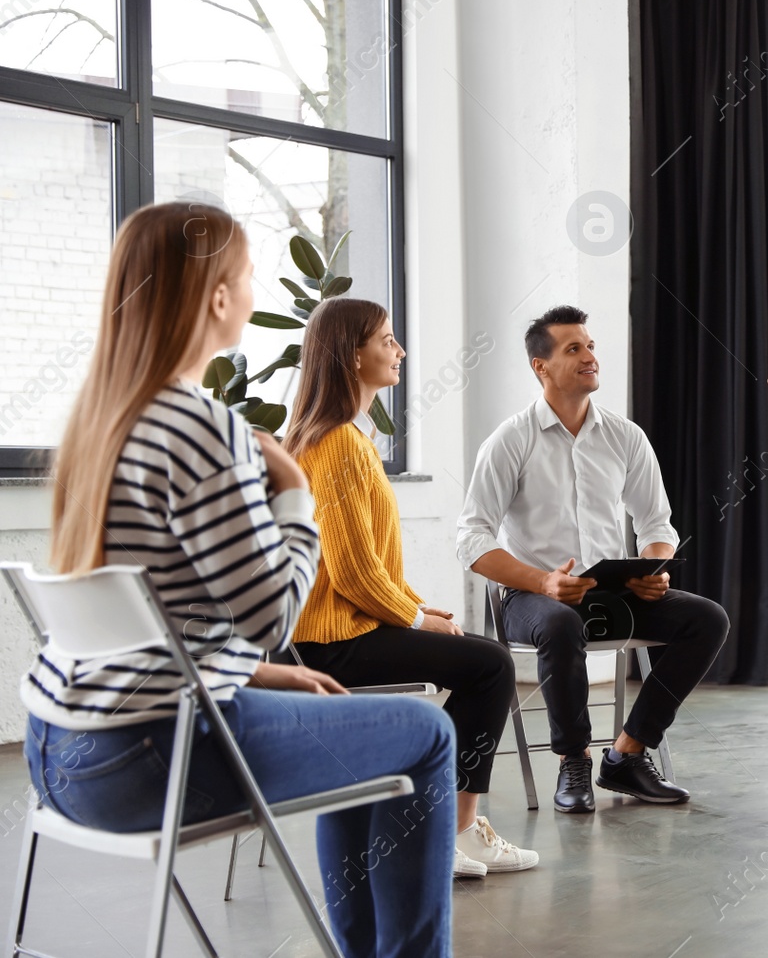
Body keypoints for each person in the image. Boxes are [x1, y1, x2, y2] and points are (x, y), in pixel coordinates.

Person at [24, 202, 456, 956]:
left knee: (362, 732)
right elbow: (274, 614)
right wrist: (292, 489)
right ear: (219, 296)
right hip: (158, 757)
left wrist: (257, 674)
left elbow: (156, 612)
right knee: (427, 731)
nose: (254, 290)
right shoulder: (201, 425)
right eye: (249, 274)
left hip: (59, 754)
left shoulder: (100, 418)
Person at [285, 298, 537, 879]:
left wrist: (416, 607)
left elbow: (366, 560)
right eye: (386, 340)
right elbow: (351, 573)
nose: (399, 350)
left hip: (336, 629)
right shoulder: (341, 443)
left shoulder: (334, 436)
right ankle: (452, 831)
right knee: (492, 665)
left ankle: (455, 827)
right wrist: (417, 620)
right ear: (351, 354)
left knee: (479, 659)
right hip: (331, 643)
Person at [457, 305, 729, 813]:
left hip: (612, 592)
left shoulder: (625, 437)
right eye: (573, 349)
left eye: (591, 346)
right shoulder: (510, 441)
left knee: (706, 618)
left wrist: (653, 568)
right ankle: (573, 760)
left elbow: (656, 525)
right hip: (531, 598)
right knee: (561, 623)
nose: (589, 357)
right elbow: (471, 539)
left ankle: (626, 755)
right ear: (541, 366)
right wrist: (542, 583)